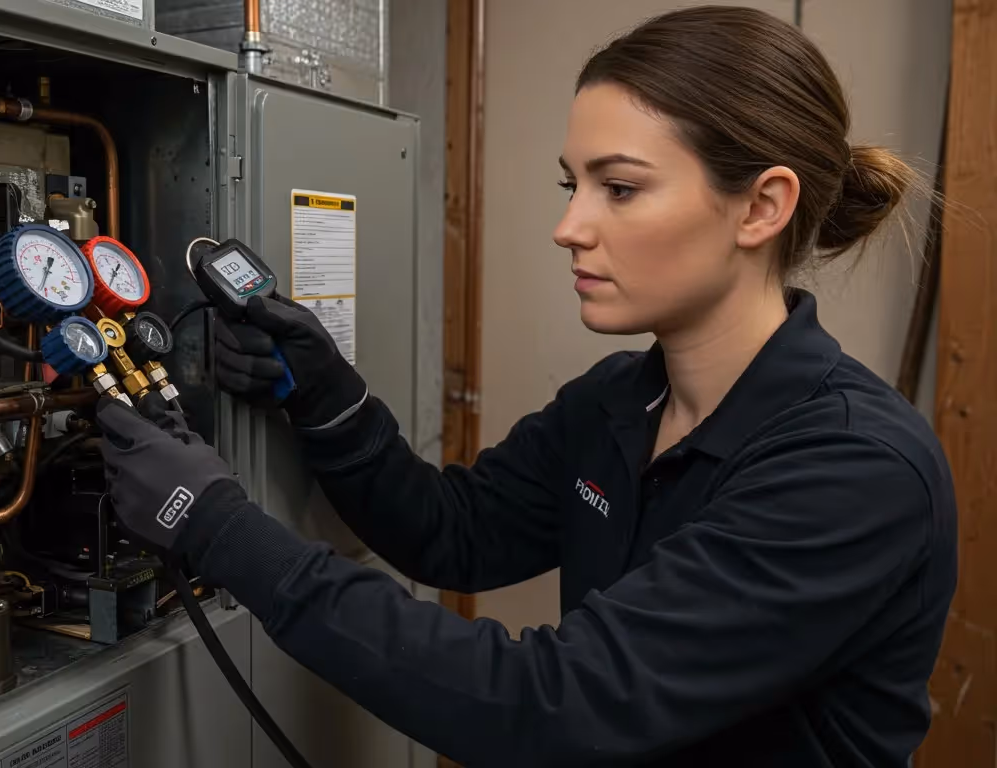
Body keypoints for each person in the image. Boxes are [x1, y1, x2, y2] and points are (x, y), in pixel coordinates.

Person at [96, 6, 956, 766]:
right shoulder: (620, 400)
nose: (568, 227)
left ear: (761, 208)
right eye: (570, 184)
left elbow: (550, 706)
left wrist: (210, 522)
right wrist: (326, 393)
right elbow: (451, 533)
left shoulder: (854, 468)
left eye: (618, 188)